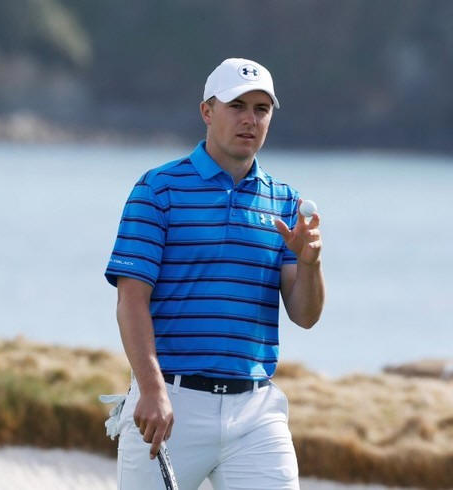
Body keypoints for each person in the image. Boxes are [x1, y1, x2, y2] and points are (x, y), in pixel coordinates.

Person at [104, 57, 325, 490]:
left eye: (261, 109)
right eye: (236, 106)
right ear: (207, 111)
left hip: (255, 411)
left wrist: (310, 264)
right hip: (170, 402)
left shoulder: (285, 202)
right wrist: (150, 388)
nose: (250, 119)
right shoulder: (157, 189)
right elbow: (130, 300)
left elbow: (305, 315)